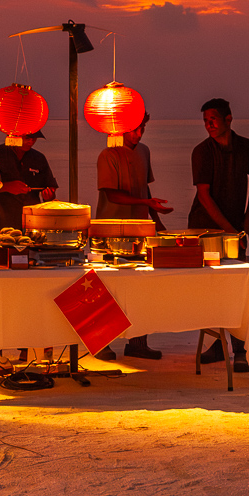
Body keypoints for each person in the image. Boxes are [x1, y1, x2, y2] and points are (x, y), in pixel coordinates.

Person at [189, 98, 249, 371]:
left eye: (213, 119)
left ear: (229, 118)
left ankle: (240, 349)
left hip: (235, 227)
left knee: (237, 288)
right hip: (204, 226)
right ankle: (221, 344)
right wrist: (231, 231)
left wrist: (247, 222)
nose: (209, 125)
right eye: (205, 121)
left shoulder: (248, 147)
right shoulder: (202, 151)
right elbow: (204, 196)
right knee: (214, 289)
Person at [96, 114, 172, 360]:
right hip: (110, 230)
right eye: (134, 130)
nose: (139, 135)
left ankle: (138, 342)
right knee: (106, 287)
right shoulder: (107, 155)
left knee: (140, 285)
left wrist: (156, 220)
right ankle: (101, 342)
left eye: (143, 128)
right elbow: (112, 195)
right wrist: (146, 202)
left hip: (139, 230)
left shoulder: (144, 152)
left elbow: (144, 187)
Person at [0, 128, 57, 232]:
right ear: (14, 136)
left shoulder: (39, 158)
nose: (31, 142)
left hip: (34, 226)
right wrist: (6, 187)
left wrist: (49, 196)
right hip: (4, 226)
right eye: (27, 138)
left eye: (34, 138)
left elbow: (50, 189)